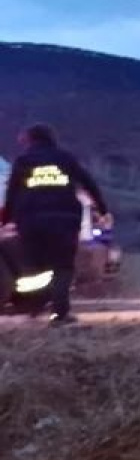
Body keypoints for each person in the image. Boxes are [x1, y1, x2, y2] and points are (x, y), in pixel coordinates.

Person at [0, 124, 110, 326]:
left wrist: (7, 221)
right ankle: (60, 314)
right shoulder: (65, 159)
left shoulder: (23, 161)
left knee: (37, 266)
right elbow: (88, 183)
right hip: (64, 221)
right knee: (62, 266)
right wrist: (102, 210)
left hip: (31, 222)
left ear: (30, 141)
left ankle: (36, 304)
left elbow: (12, 192)